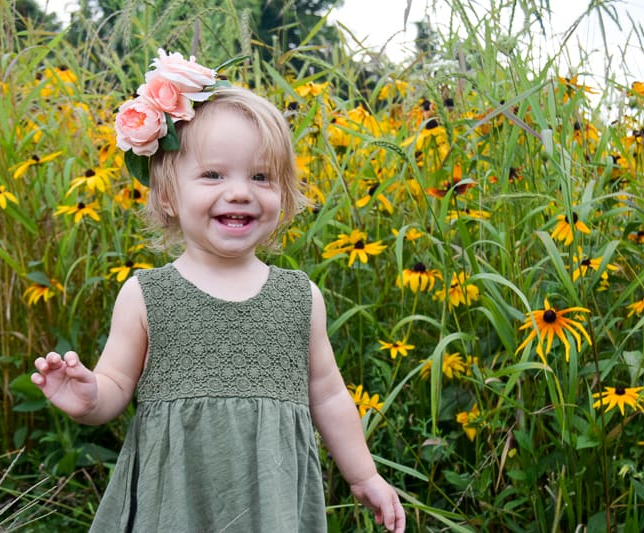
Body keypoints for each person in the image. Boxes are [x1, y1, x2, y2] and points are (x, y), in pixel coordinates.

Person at [31, 50, 405, 532]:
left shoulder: (298, 297)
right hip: (176, 503)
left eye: (261, 177)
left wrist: (364, 474)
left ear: (284, 194)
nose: (240, 192)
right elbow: (116, 387)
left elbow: (328, 394)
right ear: (167, 194)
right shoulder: (147, 295)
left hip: (271, 503)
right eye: (213, 175)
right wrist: (87, 399)